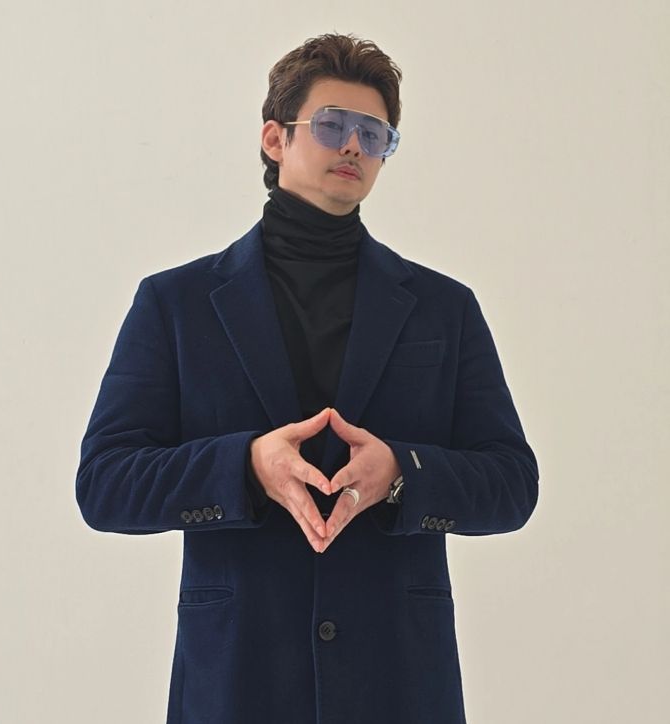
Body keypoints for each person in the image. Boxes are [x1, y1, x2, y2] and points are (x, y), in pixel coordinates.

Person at [76, 32, 538, 724]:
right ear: (275, 138)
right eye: (331, 125)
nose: (353, 145)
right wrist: (244, 466)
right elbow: (105, 483)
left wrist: (402, 473)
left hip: (399, 680)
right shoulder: (175, 304)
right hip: (238, 678)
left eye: (373, 134)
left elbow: (512, 483)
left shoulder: (445, 308)